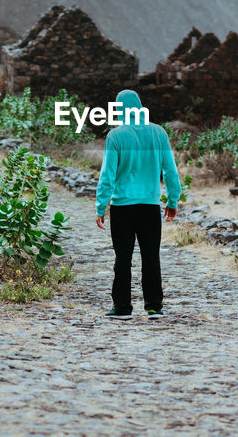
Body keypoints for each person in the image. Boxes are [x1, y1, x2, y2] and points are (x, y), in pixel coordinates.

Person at [95, 89, 181, 319]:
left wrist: (101, 206)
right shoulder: (158, 133)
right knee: (151, 256)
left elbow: (107, 175)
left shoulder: (115, 136)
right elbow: (171, 171)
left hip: (123, 207)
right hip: (150, 207)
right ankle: (154, 306)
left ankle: (122, 308)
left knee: (122, 258)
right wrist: (172, 200)